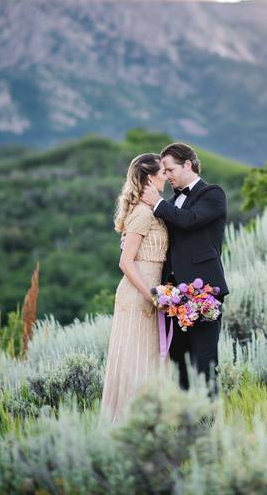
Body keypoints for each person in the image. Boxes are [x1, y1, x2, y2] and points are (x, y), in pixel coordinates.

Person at [140, 142, 229, 394]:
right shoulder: (171, 201)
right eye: (164, 172)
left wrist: (157, 204)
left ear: (187, 165)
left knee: (204, 361)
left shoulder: (213, 194)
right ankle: (185, 423)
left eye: (169, 170)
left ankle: (207, 426)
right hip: (173, 296)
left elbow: (189, 221)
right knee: (179, 361)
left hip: (204, 292)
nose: (166, 176)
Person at [99, 153, 169, 424]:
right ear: (151, 178)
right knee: (136, 358)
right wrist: (150, 293)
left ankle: (149, 419)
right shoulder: (141, 213)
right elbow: (125, 262)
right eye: (163, 172)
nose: (166, 176)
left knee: (152, 357)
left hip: (154, 292)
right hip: (140, 294)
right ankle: (130, 422)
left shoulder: (153, 209)